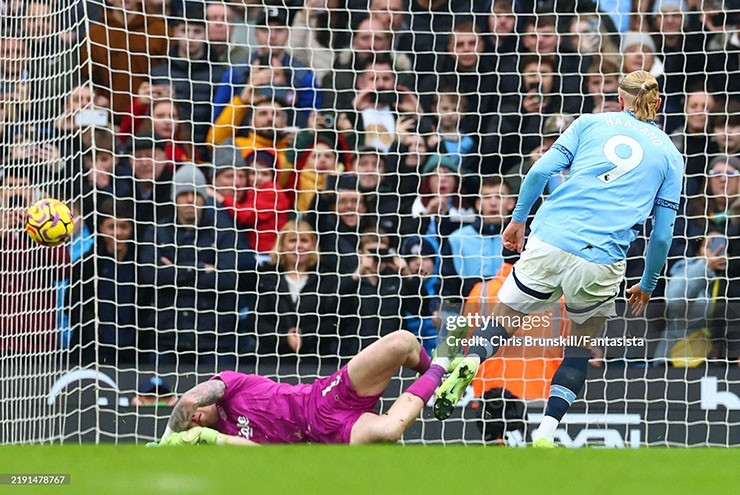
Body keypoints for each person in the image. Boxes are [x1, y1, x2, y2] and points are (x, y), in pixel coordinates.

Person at [432, 70, 684, 448]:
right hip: (601, 259)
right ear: (658, 103)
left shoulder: (589, 123)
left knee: (502, 321)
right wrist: (647, 284)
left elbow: (540, 171)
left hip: (550, 238)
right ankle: (547, 433)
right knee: (579, 345)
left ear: (619, 100)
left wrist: (518, 221)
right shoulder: (670, 154)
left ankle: (471, 359)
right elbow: (662, 235)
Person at [156, 331, 448, 445]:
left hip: (326, 396)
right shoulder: (226, 440)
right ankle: (444, 368)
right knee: (388, 432)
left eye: (194, 412)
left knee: (402, 342)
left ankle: (439, 373)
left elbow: (188, 400)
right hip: (331, 434)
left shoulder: (229, 386)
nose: (194, 414)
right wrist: (206, 437)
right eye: (190, 424)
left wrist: (166, 440)